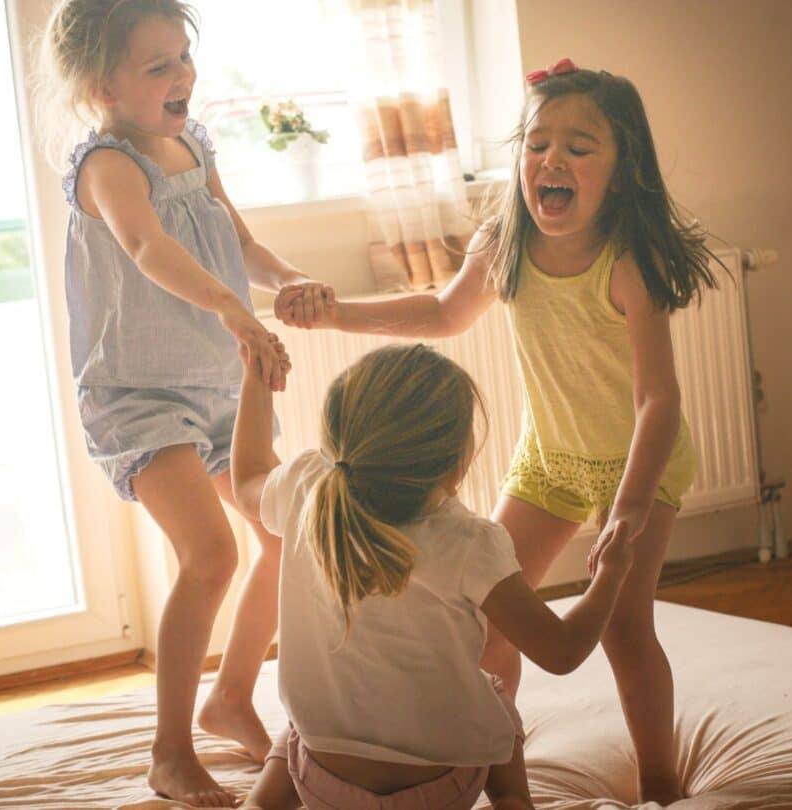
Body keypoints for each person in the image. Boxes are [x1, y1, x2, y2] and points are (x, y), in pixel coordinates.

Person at [277, 59, 717, 803]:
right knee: (490, 622)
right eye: (537, 143)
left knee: (623, 628)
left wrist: (636, 505)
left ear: (622, 169)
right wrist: (338, 314)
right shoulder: (503, 242)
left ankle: (661, 783)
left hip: (638, 466)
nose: (552, 160)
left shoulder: (627, 264)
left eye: (580, 148)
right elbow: (443, 314)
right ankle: (489, 753)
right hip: (549, 460)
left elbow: (658, 401)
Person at [38, 1, 331, 804]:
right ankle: (169, 753)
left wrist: (285, 280)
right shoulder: (106, 164)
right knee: (210, 556)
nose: (182, 76)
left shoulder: (193, 145)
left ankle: (231, 696)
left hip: (217, 387)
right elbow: (147, 248)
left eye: (184, 56)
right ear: (102, 86)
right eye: (157, 66)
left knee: (285, 537)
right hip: (138, 392)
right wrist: (235, 313)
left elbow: (236, 240)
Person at [230, 343, 635, 810]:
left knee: (309, 722)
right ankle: (512, 799)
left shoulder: (306, 487)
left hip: (323, 783)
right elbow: (562, 651)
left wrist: (256, 383)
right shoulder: (469, 543)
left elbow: (247, 482)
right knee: (494, 694)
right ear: (456, 464)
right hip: (442, 787)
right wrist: (610, 573)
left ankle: (262, 802)